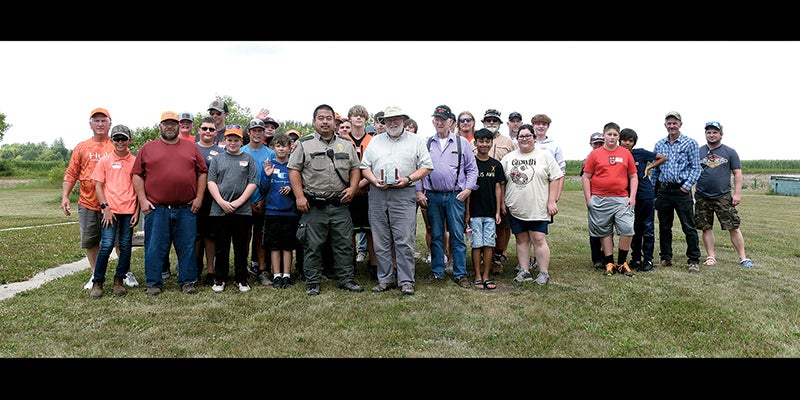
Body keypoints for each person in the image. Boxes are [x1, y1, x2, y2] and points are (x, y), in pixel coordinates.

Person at [288, 104, 364, 296]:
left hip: (340, 204)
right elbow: (294, 169)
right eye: (320, 118)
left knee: (344, 244)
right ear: (314, 121)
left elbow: (355, 168)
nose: (325, 121)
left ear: (334, 121)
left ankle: (346, 279)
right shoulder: (304, 144)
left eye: (328, 118)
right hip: (314, 205)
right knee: (312, 245)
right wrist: (299, 196)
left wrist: (353, 189)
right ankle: (313, 282)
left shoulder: (346, 144)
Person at [132, 111, 208, 296]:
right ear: (160, 126)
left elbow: (202, 172)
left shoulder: (191, 148)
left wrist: (199, 197)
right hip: (157, 209)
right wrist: (142, 200)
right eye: (166, 123)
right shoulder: (148, 148)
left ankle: (187, 281)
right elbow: (136, 174)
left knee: (187, 247)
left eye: (173, 123)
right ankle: (154, 282)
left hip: (185, 209)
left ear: (178, 126)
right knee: (155, 247)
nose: (169, 126)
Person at [62, 107, 138, 290]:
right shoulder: (82, 147)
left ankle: (125, 272)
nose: (100, 124)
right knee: (92, 240)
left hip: (118, 205)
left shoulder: (117, 146)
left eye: (104, 120)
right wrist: (65, 196)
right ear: (90, 124)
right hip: (89, 202)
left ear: (110, 123)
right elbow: (72, 173)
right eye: (96, 121)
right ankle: (95, 274)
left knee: (121, 241)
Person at [361, 106, 433, 295]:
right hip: (378, 193)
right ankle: (385, 280)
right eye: (388, 120)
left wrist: (408, 179)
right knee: (380, 238)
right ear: (383, 123)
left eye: (397, 119)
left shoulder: (416, 141)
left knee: (404, 239)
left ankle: (406, 281)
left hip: (404, 192)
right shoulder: (375, 141)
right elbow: (364, 167)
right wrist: (374, 180)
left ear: (403, 121)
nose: (392, 123)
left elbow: (427, 166)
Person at [418, 104, 478, 289]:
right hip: (433, 196)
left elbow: (472, 169)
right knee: (436, 235)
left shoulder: (462, 143)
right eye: (436, 119)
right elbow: (419, 168)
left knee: (457, 236)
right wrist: (419, 191)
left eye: (443, 120)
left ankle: (460, 274)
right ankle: (437, 272)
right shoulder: (427, 143)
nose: (439, 123)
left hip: (454, 196)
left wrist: (467, 189)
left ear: (451, 122)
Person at [501, 124, 563, 285]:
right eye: (521, 136)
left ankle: (543, 272)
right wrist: (502, 203)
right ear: (517, 139)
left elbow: (555, 177)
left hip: (538, 207)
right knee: (521, 239)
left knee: (538, 238)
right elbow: (501, 182)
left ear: (534, 138)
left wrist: (551, 201)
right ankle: (524, 270)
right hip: (515, 207)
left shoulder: (545, 156)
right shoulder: (508, 158)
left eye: (528, 136)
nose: (524, 139)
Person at [695, 121, 756, 269]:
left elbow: (737, 173)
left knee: (733, 227)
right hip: (702, 196)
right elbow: (692, 172)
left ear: (721, 134)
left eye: (715, 132)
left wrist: (737, 194)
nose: (711, 135)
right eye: (709, 132)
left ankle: (743, 258)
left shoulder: (730, 152)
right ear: (705, 134)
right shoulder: (698, 152)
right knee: (706, 227)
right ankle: (711, 256)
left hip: (723, 196)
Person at [206, 124, 259, 293]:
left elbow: (253, 182)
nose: (233, 143)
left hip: (242, 211)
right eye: (230, 139)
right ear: (225, 140)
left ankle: (241, 278)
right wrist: (221, 201)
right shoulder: (217, 159)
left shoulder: (248, 158)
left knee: (241, 247)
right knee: (221, 247)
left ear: (241, 141)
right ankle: (220, 278)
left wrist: (239, 202)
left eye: (236, 140)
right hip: (220, 210)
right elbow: (211, 181)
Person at [89, 124, 139, 298]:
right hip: (110, 211)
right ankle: (98, 281)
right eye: (116, 139)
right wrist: (105, 208)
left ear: (129, 140)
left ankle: (119, 280)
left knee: (125, 246)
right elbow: (99, 186)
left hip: (129, 210)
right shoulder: (105, 161)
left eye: (123, 139)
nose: (120, 142)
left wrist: (136, 211)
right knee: (107, 245)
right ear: (112, 140)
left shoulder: (135, 162)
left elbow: (139, 188)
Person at [582, 122, 638, 277]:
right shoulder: (595, 154)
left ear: (618, 137)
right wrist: (589, 199)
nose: (612, 137)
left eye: (615, 135)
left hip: (621, 199)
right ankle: (609, 263)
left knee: (627, 229)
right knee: (604, 231)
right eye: (609, 134)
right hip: (600, 199)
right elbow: (586, 177)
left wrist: (632, 196)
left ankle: (621, 263)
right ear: (604, 135)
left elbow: (633, 176)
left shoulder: (626, 154)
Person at [651, 111, 702, 273]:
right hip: (664, 191)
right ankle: (666, 257)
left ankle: (693, 259)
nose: (672, 126)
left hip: (682, 191)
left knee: (689, 226)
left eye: (675, 123)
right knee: (664, 227)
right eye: (669, 123)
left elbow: (696, 168)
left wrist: (686, 186)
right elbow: (655, 170)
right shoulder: (659, 145)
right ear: (665, 125)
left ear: (680, 124)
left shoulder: (690, 143)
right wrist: (653, 191)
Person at [619, 127, 666, 272]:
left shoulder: (640, 153)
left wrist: (649, 167)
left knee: (647, 227)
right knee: (633, 228)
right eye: (624, 140)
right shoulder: (618, 155)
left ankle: (648, 260)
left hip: (645, 194)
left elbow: (662, 157)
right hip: (628, 196)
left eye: (630, 140)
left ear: (634, 142)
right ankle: (635, 258)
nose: (627, 143)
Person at [467, 128, 506, 290]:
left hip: (490, 213)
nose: (484, 144)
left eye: (487, 141)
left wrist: (498, 211)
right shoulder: (471, 164)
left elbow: (498, 189)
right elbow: (468, 189)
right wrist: (467, 212)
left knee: (489, 244)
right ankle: (477, 275)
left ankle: (486, 275)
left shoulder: (496, 165)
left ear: (491, 143)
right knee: (476, 245)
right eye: (481, 141)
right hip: (475, 213)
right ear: (475, 143)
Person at [479, 109, 517, 274]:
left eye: (495, 120)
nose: (492, 122)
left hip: (503, 189)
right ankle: (482, 256)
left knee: (501, 226)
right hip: (481, 192)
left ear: (500, 123)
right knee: (481, 225)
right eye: (488, 120)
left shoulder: (508, 142)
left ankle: (497, 258)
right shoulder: (477, 141)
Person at [260, 132, 299, 289]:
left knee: (287, 246)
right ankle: (277, 275)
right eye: (278, 146)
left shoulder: (293, 167)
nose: (281, 149)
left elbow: (300, 187)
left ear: (290, 148)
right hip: (272, 212)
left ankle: (287, 275)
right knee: (275, 246)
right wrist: (267, 176)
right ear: (273, 148)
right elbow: (262, 189)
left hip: (290, 212)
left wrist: (291, 188)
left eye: (284, 146)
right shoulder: (269, 165)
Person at [242, 119, 277, 285]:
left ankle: (262, 270)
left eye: (260, 131)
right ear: (248, 132)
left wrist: (263, 199)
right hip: (244, 202)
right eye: (253, 130)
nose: (257, 133)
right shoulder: (241, 151)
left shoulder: (270, 154)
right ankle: (243, 269)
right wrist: (246, 201)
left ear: (264, 133)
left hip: (264, 201)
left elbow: (274, 179)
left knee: (260, 236)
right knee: (244, 235)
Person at [345, 105, 377, 280]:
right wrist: (351, 188)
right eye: (355, 115)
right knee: (349, 230)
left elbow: (374, 166)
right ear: (349, 118)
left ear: (366, 119)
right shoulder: (341, 140)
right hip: (348, 192)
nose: (358, 118)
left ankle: (374, 264)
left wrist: (358, 185)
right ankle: (350, 264)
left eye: (361, 116)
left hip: (368, 190)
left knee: (371, 230)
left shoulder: (373, 141)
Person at [195, 116, 220, 284]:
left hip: (213, 201)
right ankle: (195, 270)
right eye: (204, 128)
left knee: (211, 236)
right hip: (194, 200)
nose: (208, 132)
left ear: (216, 132)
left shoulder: (222, 152)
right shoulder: (191, 149)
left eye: (211, 129)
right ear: (199, 130)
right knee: (195, 236)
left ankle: (211, 270)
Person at [582, 132, 607, 269]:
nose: (598, 145)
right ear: (591, 144)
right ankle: (596, 258)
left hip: (609, 197)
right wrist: (589, 198)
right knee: (595, 228)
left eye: (601, 143)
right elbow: (585, 178)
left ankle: (606, 255)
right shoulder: (588, 160)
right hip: (594, 197)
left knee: (608, 228)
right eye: (595, 143)